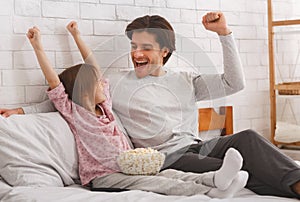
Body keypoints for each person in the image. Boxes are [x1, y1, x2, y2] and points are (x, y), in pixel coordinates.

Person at [1, 12, 300, 198]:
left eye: (145, 47)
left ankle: (293, 185)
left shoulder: (185, 79)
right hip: (166, 158)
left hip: (197, 145)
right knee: (228, 168)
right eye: (133, 47)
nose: (137, 53)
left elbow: (235, 84)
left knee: (248, 139)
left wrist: (224, 35)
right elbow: (71, 99)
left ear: (165, 51)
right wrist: (21, 111)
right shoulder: (115, 84)